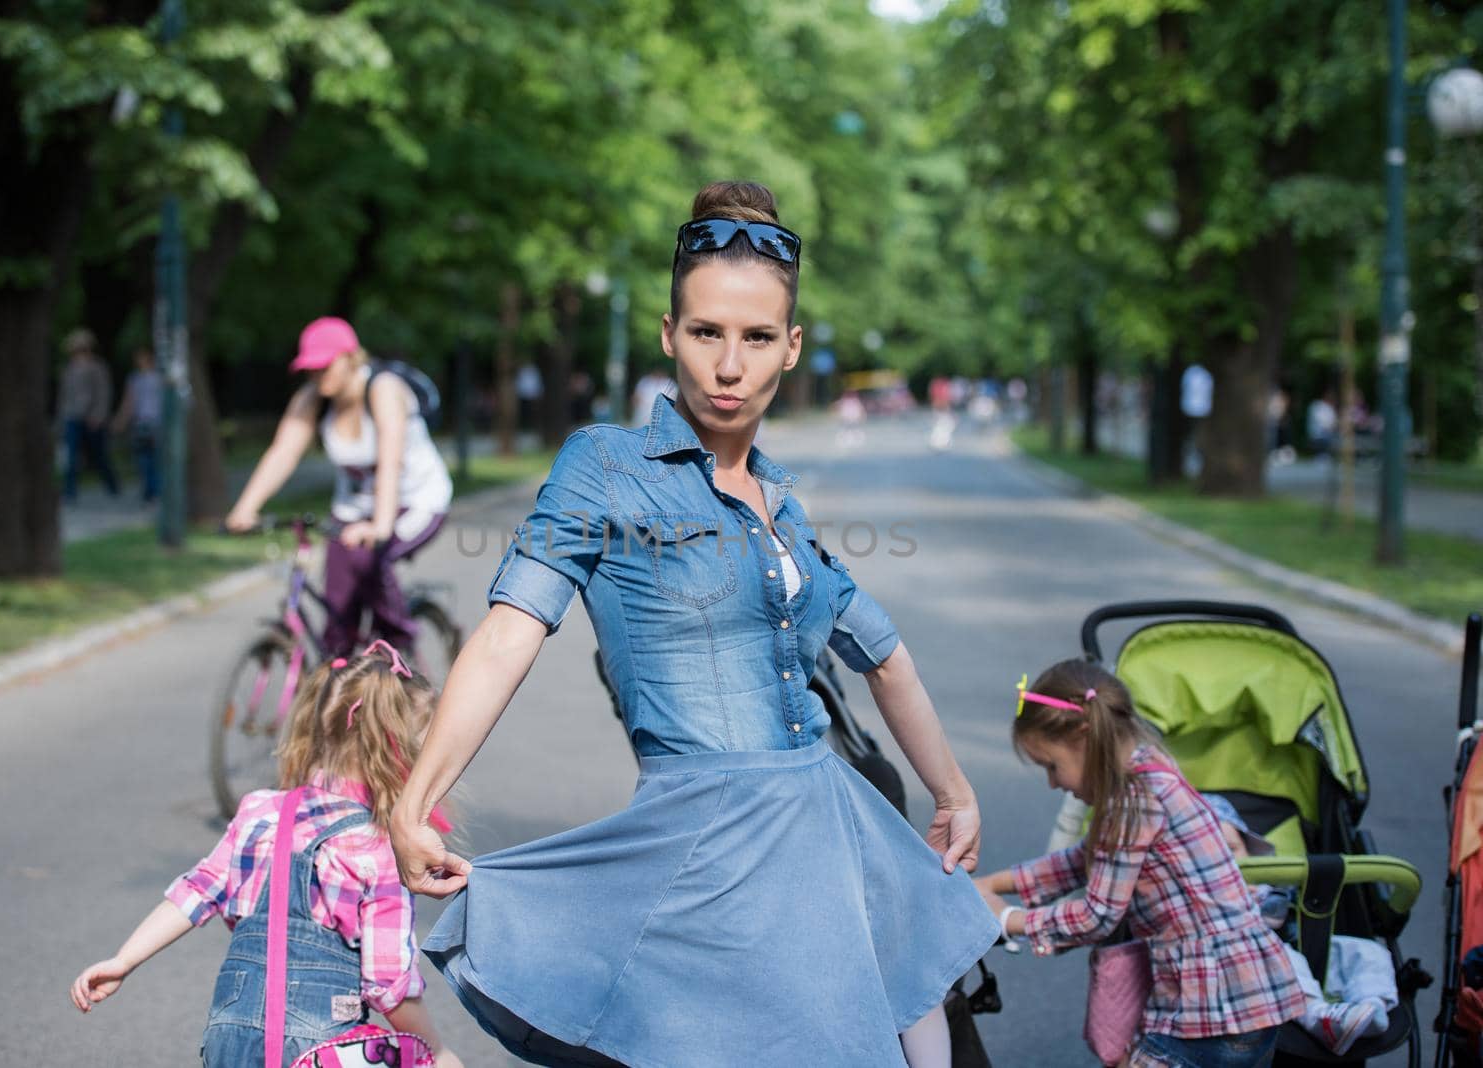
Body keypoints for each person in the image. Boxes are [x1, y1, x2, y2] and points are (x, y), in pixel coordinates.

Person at [388, 180, 999, 1068]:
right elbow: (508, 633)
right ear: (670, 336)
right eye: (707, 333)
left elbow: (884, 653)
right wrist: (415, 798)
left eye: (756, 339)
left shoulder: (782, 508)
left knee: (906, 1013)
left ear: (790, 350)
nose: (728, 365)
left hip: (829, 833)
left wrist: (952, 792)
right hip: (709, 852)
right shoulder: (605, 466)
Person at [68, 642, 463, 1068]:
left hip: (229, 1031)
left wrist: (124, 959)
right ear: (398, 756)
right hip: (319, 1041)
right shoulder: (377, 843)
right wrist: (436, 1051)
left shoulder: (259, 811)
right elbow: (387, 979)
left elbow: (196, 891)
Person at [975, 660, 1304, 1068]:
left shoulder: (1132, 802)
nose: (1053, 783)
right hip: (1241, 997)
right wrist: (991, 883)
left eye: (1051, 766)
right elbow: (1084, 861)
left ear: (1083, 737)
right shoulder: (1151, 770)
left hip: (1212, 1007)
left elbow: (1098, 916)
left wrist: (1007, 919)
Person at [226, 317, 454, 657]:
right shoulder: (312, 399)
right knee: (338, 609)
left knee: (370, 559)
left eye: (324, 366)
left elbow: (390, 462)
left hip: (417, 501)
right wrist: (245, 508)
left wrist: (379, 527)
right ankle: (341, 677)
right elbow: (282, 453)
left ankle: (401, 652)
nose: (318, 376)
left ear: (351, 358)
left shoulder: (383, 388)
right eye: (310, 369)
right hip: (353, 508)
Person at [57, 327, 119, 502]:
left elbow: (103, 393)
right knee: (71, 456)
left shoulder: (97, 367)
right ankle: (70, 492)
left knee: (99, 455)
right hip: (72, 416)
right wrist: (62, 418)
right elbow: (63, 396)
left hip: (92, 417)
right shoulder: (68, 369)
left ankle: (112, 485)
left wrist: (98, 415)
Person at [113, 347, 162, 503]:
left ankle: (155, 492)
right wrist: (120, 420)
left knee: (155, 459)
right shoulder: (134, 379)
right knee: (143, 460)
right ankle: (149, 492)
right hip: (141, 423)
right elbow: (129, 402)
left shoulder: (160, 377)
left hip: (157, 423)